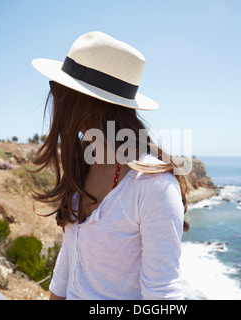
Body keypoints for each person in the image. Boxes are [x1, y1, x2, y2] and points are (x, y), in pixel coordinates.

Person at [31, 31, 189, 300]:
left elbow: (162, 295)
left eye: (59, 88)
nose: (54, 96)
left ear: (84, 101)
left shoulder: (153, 187)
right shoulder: (83, 163)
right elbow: (68, 262)